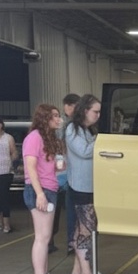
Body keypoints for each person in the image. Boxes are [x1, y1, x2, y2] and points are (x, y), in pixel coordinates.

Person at [65, 94, 111, 274]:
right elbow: (84, 151)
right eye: (95, 112)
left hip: (90, 186)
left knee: (82, 229)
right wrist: (102, 141)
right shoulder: (72, 129)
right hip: (80, 187)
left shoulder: (87, 130)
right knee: (86, 231)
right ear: (84, 111)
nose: (98, 116)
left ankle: (77, 271)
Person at [22, 104, 66, 274]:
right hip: (40, 190)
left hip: (50, 188)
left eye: (58, 115)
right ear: (44, 118)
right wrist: (39, 194)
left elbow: (49, 166)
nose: (58, 119)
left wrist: (59, 165)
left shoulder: (49, 139)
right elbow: (30, 167)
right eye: (54, 115)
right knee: (42, 237)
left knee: (46, 237)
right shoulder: (34, 137)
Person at [50, 93, 80, 255]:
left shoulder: (67, 125)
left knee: (60, 210)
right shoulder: (69, 125)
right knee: (68, 210)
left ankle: (62, 241)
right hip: (63, 173)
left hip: (62, 172)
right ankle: (69, 242)